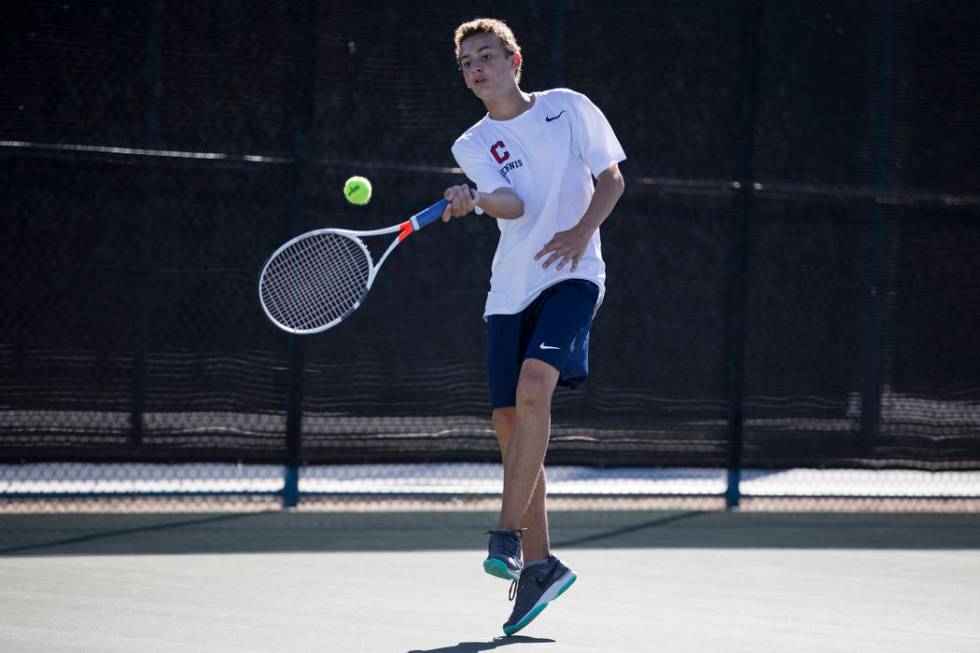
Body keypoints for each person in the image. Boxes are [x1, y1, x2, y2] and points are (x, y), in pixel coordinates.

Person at [441, 17, 626, 636]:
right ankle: (542, 564)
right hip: (508, 290)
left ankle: (506, 535)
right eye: (467, 62)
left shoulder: (569, 108)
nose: (477, 67)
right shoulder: (471, 144)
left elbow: (612, 179)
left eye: (487, 55)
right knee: (509, 424)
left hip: (574, 275)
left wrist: (579, 234)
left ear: (514, 61)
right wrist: (473, 200)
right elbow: (512, 204)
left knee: (534, 388)